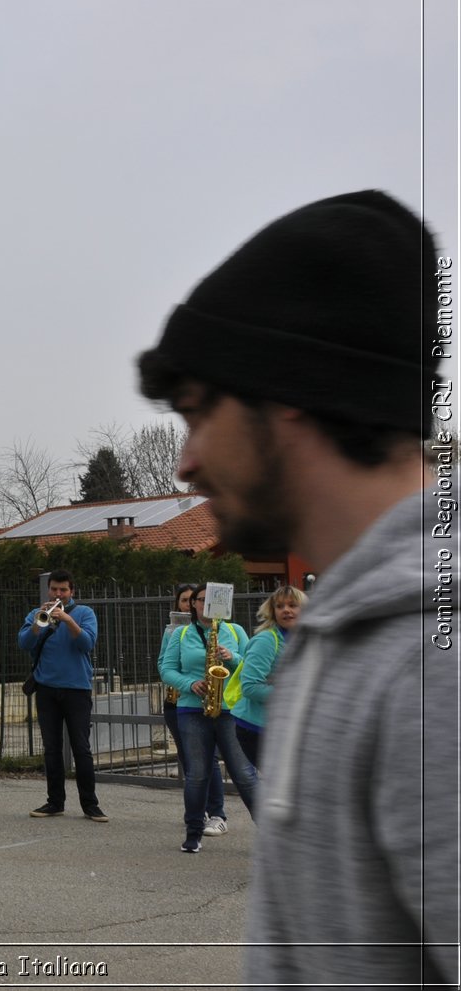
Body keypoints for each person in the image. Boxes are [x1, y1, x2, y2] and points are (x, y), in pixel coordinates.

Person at [136, 189, 456, 987]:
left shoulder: (433, 659)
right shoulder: (354, 628)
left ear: (289, 395)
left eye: (200, 411)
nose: (186, 461)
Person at [158, 583, 257, 853]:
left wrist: (232, 656)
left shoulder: (235, 631)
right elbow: (166, 670)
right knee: (197, 774)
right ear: (193, 604)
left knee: (244, 774)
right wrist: (190, 684)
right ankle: (193, 833)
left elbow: (251, 665)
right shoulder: (181, 634)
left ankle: (271, 834)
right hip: (192, 709)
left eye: (211, 600)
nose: (206, 605)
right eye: (201, 600)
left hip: (230, 710)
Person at [17, 570, 108, 822]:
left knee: (81, 748)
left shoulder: (84, 613)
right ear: (49, 591)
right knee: (51, 748)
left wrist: (67, 619)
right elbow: (24, 644)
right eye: (54, 590)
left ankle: (90, 805)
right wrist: (38, 623)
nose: (58, 594)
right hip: (46, 689)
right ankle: (54, 802)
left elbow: (87, 644)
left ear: (71, 592)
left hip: (76, 689)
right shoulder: (36, 614)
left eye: (63, 590)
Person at [159, 584, 226, 835]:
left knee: (211, 760)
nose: (189, 604)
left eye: (193, 600)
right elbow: (163, 664)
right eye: (184, 600)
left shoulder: (222, 630)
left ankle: (216, 811)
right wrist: (183, 683)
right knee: (191, 761)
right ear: (179, 604)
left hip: (210, 702)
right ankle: (200, 810)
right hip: (179, 702)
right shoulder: (173, 632)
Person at [230, 585, 306, 769]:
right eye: (280, 606)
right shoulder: (266, 640)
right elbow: (250, 687)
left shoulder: (305, 639)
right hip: (258, 728)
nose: (286, 610)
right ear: (273, 612)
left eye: (292, 605)